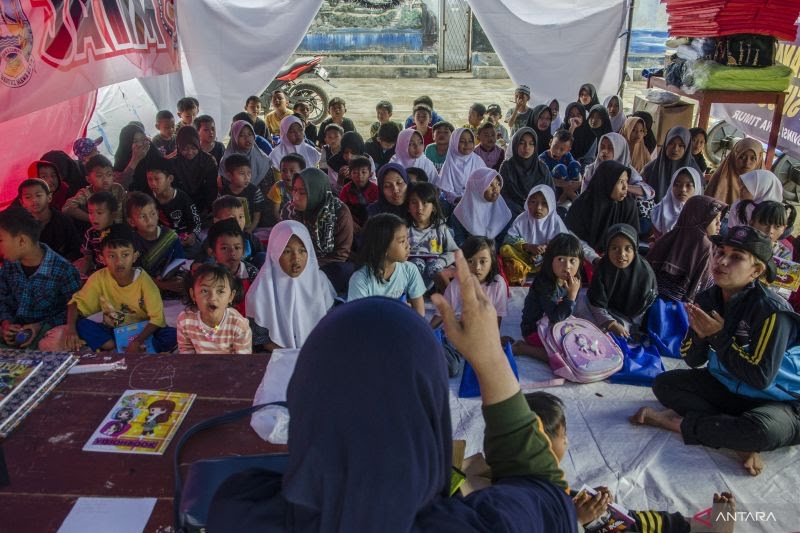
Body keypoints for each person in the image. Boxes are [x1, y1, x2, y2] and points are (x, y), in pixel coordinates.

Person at [208, 250, 577, 532]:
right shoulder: (474, 526)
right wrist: (491, 360)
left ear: (305, 396)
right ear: (431, 411)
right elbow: (545, 493)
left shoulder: (240, 510)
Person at [631, 225, 800, 477]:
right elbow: (692, 359)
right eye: (720, 252)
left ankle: (678, 424)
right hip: (730, 386)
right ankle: (734, 437)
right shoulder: (708, 298)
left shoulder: (772, 311)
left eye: (736, 257)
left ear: (756, 270)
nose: (722, 261)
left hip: (780, 401)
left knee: (761, 431)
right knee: (665, 384)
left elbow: (760, 377)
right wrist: (701, 337)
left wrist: (718, 336)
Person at [526, 392, 734, 532]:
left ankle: (694, 527)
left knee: (623, 517)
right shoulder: (515, 500)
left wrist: (587, 505)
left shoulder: (523, 473)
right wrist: (578, 521)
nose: (567, 441)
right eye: (563, 437)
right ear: (542, 445)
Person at [62, 224, 177, 353]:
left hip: (144, 331)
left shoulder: (144, 281)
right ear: (102, 258)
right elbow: (75, 305)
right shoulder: (99, 278)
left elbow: (157, 319)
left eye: (125, 255)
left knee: (172, 334)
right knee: (81, 325)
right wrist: (70, 329)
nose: (119, 262)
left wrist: (137, 340)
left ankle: (121, 348)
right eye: (112, 256)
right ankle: (115, 346)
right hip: (115, 330)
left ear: (135, 256)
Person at [246, 220, 335, 351]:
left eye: (302, 250)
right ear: (274, 254)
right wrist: (291, 355)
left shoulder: (320, 281)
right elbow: (262, 339)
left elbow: (330, 324)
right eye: (287, 251)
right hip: (276, 356)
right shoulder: (261, 290)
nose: (296, 258)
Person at [0, 207, 81, 351]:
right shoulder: (9, 264)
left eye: (1, 240)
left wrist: (39, 326)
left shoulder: (63, 269)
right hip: (15, 329)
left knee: (55, 341)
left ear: (21, 241)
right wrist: (6, 323)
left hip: (45, 329)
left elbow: (75, 308)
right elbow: (3, 296)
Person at [513, 233, 583, 360]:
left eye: (572, 260)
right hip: (534, 329)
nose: (567, 266)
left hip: (555, 324)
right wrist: (571, 296)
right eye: (561, 259)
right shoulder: (544, 284)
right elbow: (556, 317)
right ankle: (523, 348)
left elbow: (566, 311)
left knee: (579, 344)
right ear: (550, 260)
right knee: (563, 357)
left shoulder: (573, 281)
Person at [648, 195, 727, 303]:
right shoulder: (704, 245)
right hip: (677, 312)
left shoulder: (669, 237)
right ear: (702, 219)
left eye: (720, 219)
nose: (719, 224)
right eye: (715, 220)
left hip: (652, 305)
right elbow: (697, 292)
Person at [288, 168, 354, 293]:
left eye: (302, 192)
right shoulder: (292, 211)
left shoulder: (339, 212)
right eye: (294, 190)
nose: (295, 197)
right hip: (299, 259)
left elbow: (341, 254)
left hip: (329, 264)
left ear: (316, 191)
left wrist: (308, 264)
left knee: (342, 271)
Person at [348, 213, 427, 317]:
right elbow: (360, 320)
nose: (408, 245)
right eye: (402, 241)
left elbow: (420, 314)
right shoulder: (360, 280)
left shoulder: (410, 270)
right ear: (383, 247)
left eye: (407, 239)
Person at [587, 224, 657, 338]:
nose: (621, 254)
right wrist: (610, 322)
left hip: (632, 319)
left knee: (617, 335)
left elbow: (644, 308)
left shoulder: (644, 273)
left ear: (635, 249)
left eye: (628, 248)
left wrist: (622, 325)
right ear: (607, 249)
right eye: (614, 248)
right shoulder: (603, 267)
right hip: (606, 312)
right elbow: (595, 302)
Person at [565, 160, 639, 260]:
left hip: (619, 257)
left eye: (626, 181)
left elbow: (632, 240)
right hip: (585, 257)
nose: (625, 187)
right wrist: (594, 258)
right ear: (607, 182)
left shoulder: (629, 205)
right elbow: (574, 239)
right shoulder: (583, 204)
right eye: (620, 182)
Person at [431, 236, 508, 327]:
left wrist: (493, 340)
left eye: (483, 261)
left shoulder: (498, 283)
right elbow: (442, 313)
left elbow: (497, 317)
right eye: (470, 261)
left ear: (492, 262)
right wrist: (427, 331)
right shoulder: (457, 284)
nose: (477, 267)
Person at [501, 185, 569, 285]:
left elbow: (564, 242)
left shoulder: (555, 221)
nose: (538, 208)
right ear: (527, 202)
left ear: (551, 204)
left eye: (544, 203)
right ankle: (524, 270)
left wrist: (545, 248)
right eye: (533, 202)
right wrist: (527, 247)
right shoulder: (523, 218)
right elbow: (508, 238)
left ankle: (540, 274)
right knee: (505, 249)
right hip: (525, 258)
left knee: (562, 255)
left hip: (546, 260)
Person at [177, 263, 252, 354]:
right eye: (204, 291)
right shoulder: (185, 320)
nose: (212, 297)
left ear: (231, 296)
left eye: (220, 291)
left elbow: (241, 362)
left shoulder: (239, 325)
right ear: (193, 295)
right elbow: (186, 352)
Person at [126, 192, 185, 294]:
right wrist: (162, 285)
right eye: (142, 216)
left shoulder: (170, 237)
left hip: (169, 278)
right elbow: (134, 273)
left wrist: (174, 280)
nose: (149, 220)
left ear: (158, 214)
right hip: (144, 283)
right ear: (131, 222)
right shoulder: (131, 242)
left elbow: (178, 261)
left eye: (152, 214)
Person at [145, 159, 202, 257]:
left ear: (170, 179)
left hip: (184, 238)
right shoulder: (148, 199)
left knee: (197, 252)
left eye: (157, 179)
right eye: (149, 179)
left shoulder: (182, 197)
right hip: (162, 241)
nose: (153, 183)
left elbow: (196, 222)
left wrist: (192, 235)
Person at [406, 182, 457, 289]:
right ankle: (413, 299)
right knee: (417, 263)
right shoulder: (404, 229)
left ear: (433, 207)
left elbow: (454, 251)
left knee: (434, 266)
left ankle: (450, 299)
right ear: (408, 207)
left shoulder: (440, 228)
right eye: (414, 202)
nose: (419, 207)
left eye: (425, 203)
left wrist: (441, 261)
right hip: (411, 271)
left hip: (434, 272)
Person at [18, 178, 82, 261]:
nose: (34, 200)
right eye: (28, 197)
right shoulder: (19, 226)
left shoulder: (63, 220)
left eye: (38, 195)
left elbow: (76, 249)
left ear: (49, 197)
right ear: (22, 203)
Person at [499, 127, 554, 219]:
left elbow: (550, 194)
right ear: (515, 144)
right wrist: (520, 211)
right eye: (522, 143)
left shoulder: (542, 168)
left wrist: (535, 209)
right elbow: (502, 195)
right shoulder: (507, 167)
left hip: (538, 213)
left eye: (531, 143)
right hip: (512, 213)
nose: (527, 147)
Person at [195, 195, 265, 266]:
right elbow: (199, 262)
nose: (238, 221)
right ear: (217, 221)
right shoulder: (211, 241)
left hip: (246, 273)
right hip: (222, 274)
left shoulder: (249, 238)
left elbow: (263, 254)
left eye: (241, 217)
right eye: (232, 218)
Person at [451, 168, 512, 247]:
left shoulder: (504, 211)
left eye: (498, 183)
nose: (496, 188)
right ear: (477, 188)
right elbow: (459, 241)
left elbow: (503, 240)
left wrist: (490, 253)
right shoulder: (460, 213)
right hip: (470, 255)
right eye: (490, 185)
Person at [63, 154, 127, 226]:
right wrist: (93, 218)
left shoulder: (118, 189)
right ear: (88, 179)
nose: (105, 179)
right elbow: (67, 208)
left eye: (109, 174)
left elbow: (127, 210)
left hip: (119, 229)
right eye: (99, 176)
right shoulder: (86, 193)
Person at [641, 126, 700, 203]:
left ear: (687, 147)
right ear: (665, 144)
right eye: (671, 143)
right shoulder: (649, 169)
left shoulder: (694, 174)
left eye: (681, 145)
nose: (675, 149)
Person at [173, 126, 219, 221]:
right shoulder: (173, 163)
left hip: (205, 207)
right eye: (184, 149)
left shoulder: (208, 161)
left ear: (198, 145)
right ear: (178, 147)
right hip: (181, 208)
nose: (189, 152)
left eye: (193, 148)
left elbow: (212, 188)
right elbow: (173, 190)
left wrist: (207, 209)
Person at [705, 137, 765, 205]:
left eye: (753, 158)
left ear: (759, 160)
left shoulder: (764, 187)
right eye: (742, 157)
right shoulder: (719, 180)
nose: (747, 163)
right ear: (734, 157)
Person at [113, 122, 169, 193]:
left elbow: (165, 167)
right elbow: (121, 187)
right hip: (139, 198)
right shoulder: (120, 159)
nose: (140, 144)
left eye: (143, 139)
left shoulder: (149, 147)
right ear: (126, 143)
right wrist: (135, 160)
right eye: (135, 141)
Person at [219, 153, 266, 234]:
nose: (247, 177)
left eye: (249, 173)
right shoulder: (223, 193)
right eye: (242, 173)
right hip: (229, 229)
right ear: (230, 175)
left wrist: (250, 230)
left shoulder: (255, 191)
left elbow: (257, 216)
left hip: (251, 229)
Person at [436, 127, 486, 203]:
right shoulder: (449, 163)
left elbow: (485, 182)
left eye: (470, 141)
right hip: (455, 203)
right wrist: (456, 199)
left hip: (476, 200)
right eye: (462, 141)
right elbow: (447, 190)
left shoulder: (478, 161)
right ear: (454, 143)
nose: (467, 144)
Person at [220, 120, 273, 190]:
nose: (247, 138)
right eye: (241, 135)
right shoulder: (226, 162)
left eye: (250, 134)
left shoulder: (263, 160)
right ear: (234, 138)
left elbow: (269, 188)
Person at [650, 167, 703, 238]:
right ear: (671, 186)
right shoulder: (659, 211)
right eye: (677, 185)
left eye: (688, 185)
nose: (683, 189)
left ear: (696, 188)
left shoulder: (701, 213)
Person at [76, 191, 119, 276]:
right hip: (98, 274)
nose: (94, 217)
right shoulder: (90, 233)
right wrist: (81, 274)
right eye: (91, 212)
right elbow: (87, 258)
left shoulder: (120, 232)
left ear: (113, 215)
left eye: (99, 213)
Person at [539, 130, 581, 209]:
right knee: (560, 168)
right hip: (552, 189)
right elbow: (544, 179)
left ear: (568, 150)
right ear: (550, 142)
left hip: (567, 186)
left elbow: (576, 172)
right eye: (555, 147)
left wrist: (578, 181)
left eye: (562, 149)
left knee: (575, 165)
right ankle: (571, 197)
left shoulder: (567, 155)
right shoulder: (542, 159)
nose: (557, 151)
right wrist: (563, 183)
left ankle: (567, 196)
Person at [338, 155, 378, 233]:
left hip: (372, 224)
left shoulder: (375, 189)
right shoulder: (346, 189)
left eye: (363, 172)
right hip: (351, 224)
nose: (359, 176)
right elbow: (341, 210)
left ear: (370, 174)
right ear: (350, 175)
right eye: (355, 172)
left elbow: (378, 211)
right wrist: (351, 222)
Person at [267, 153, 306, 223]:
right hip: (284, 221)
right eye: (283, 170)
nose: (287, 174)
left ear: (302, 172)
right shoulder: (278, 187)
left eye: (292, 171)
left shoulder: (306, 188)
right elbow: (276, 212)